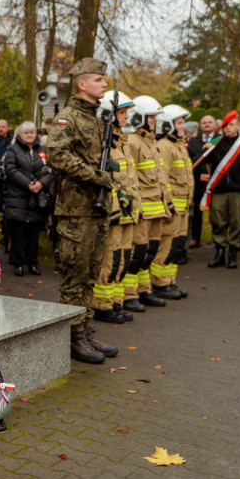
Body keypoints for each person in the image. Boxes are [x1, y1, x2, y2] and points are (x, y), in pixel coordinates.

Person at [47, 58, 118, 364]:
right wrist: (95, 176)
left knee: (90, 276)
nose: (104, 84)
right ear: (82, 84)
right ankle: (73, 336)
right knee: (74, 278)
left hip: (96, 209)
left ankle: (86, 330)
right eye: (99, 80)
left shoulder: (96, 119)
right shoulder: (68, 118)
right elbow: (56, 155)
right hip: (76, 212)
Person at [93, 91, 141, 325]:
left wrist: (136, 208)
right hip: (113, 213)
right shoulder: (103, 145)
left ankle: (116, 302)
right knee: (110, 260)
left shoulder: (122, 142)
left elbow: (131, 180)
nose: (125, 117)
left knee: (123, 258)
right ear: (107, 115)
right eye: (121, 112)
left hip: (127, 213)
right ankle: (102, 305)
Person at [122, 95, 171, 310]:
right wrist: (136, 208)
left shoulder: (152, 143)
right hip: (143, 210)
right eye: (150, 117)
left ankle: (144, 291)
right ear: (139, 117)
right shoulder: (133, 142)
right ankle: (129, 295)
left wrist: (167, 205)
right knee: (137, 253)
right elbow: (130, 178)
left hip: (157, 209)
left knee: (149, 252)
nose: (154, 120)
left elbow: (161, 178)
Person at [202, 110, 240, 269]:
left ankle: (232, 254)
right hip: (218, 190)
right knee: (217, 221)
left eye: (232, 125)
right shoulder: (217, 143)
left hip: (237, 191)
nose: (228, 128)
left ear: (239, 126)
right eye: (226, 125)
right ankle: (219, 252)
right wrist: (210, 146)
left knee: (236, 222)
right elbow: (204, 158)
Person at [150, 105, 194, 298]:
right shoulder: (165, 147)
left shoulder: (179, 146)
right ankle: (159, 284)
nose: (183, 126)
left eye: (183, 122)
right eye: (179, 122)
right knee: (166, 246)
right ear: (167, 124)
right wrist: (168, 206)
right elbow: (163, 179)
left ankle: (169, 281)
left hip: (182, 209)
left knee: (176, 246)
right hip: (172, 209)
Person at [3, 121, 52, 276]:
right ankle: (18, 263)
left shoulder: (43, 150)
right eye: (26, 133)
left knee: (33, 233)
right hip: (17, 197)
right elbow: (10, 169)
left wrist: (41, 183)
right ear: (20, 135)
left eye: (32, 132)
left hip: (37, 198)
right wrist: (28, 183)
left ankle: (33, 263)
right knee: (17, 232)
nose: (29, 135)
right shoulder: (13, 149)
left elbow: (50, 170)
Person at [187, 114, 219, 248]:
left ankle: (217, 239)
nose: (207, 124)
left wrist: (212, 175)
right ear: (200, 126)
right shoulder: (193, 141)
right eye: (204, 122)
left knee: (216, 212)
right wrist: (199, 175)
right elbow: (191, 161)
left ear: (215, 125)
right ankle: (195, 238)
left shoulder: (221, 139)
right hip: (198, 183)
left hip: (216, 182)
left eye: (210, 122)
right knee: (197, 213)